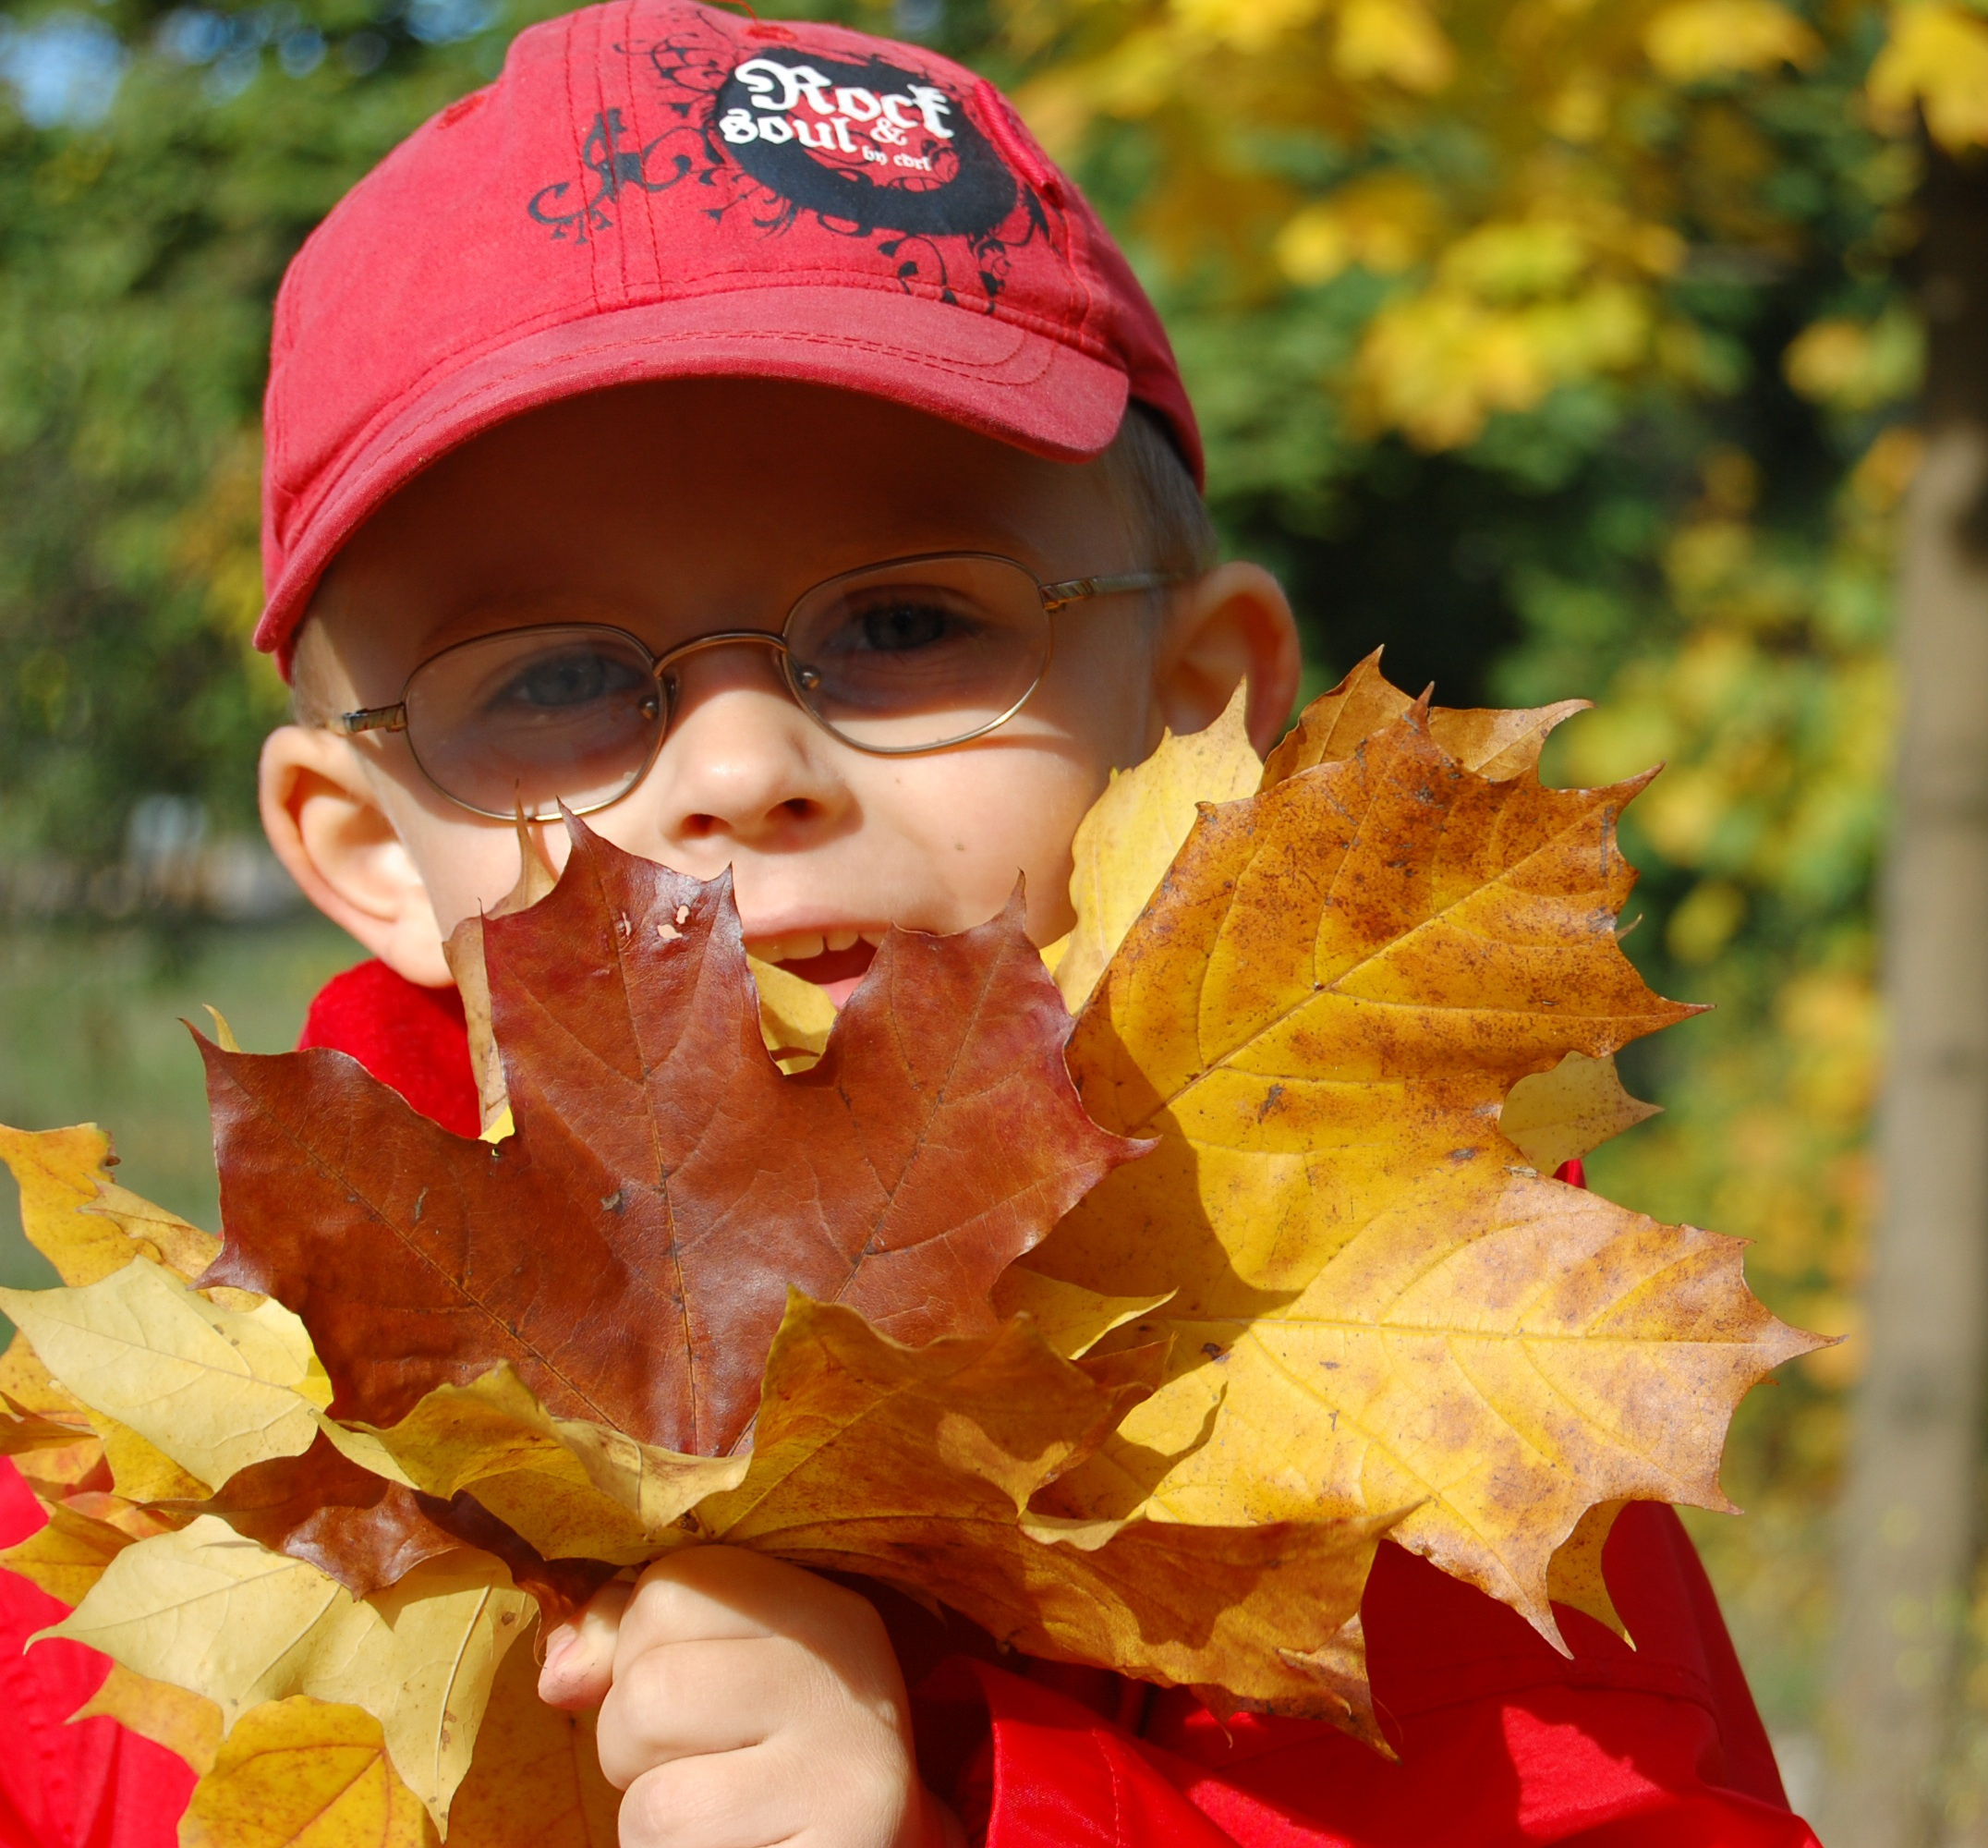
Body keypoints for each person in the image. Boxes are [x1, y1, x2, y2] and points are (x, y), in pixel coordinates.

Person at [0, 6, 1815, 1842]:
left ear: (1197, 716)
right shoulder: (178, 1491)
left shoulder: (1385, 1360)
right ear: (366, 844)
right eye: (554, 674)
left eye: (903, 627)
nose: (741, 760)